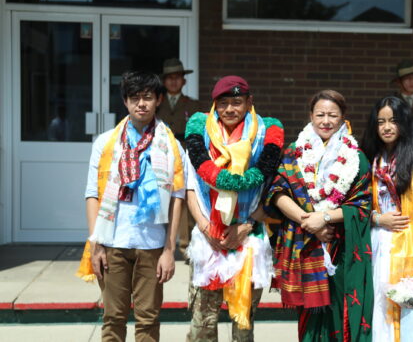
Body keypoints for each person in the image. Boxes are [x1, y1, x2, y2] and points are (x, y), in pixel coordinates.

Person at [83, 71, 185, 341]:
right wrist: (96, 245)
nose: (142, 104)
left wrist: (169, 250)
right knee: (113, 319)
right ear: (125, 102)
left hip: (152, 245)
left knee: (148, 320)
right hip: (112, 242)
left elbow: (178, 199)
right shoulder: (105, 143)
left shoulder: (172, 146)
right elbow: (92, 194)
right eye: (135, 98)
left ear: (158, 100)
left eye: (148, 97)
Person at [265, 90, 373, 342]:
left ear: (343, 118)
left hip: (342, 247)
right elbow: (277, 192)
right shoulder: (294, 151)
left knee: (341, 314)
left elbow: (362, 205)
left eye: (332, 115)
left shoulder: (356, 157)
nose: (326, 120)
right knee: (310, 319)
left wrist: (324, 219)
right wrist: (308, 221)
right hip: (305, 244)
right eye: (320, 114)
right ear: (310, 116)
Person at [184, 75, 284, 341]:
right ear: (214, 105)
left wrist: (246, 225)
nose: (229, 109)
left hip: (249, 237)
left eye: (237, 102)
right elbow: (190, 187)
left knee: (243, 325)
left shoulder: (265, 135)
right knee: (202, 324)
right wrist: (207, 229)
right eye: (223, 103)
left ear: (249, 102)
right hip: (209, 239)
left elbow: (273, 190)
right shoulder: (200, 134)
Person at [360, 96, 413, 342]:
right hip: (376, 248)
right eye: (381, 122)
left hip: (412, 253)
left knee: (410, 320)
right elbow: (360, 207)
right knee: (378, 312)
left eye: (393, 121)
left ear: (405, 123)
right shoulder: (370, 161)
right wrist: (377, 219)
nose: (387, 127)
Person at [157, 58, 202, 262]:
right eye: (169, 78)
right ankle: (159, 244)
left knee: (184, 199)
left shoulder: (193, 105)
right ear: (164, 81)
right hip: (162, 154)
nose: (174, 82)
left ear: (184, 81)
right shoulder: (156, 104)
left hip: (187, 155)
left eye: (178, 78)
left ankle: (185, 245)